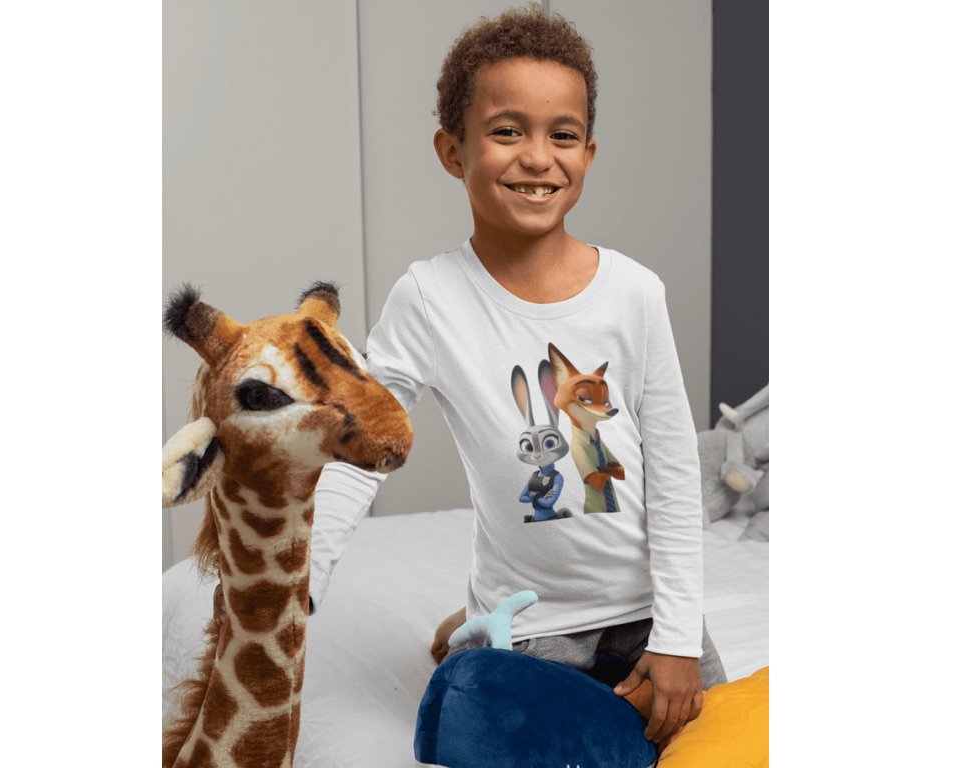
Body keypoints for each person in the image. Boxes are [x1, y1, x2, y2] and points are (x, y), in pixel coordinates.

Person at [308, 6, 726, 745]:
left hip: (644, 614)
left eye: (562, 136)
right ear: (453, 150)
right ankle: (478, 626)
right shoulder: (430, 297)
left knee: (719, 745)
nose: (538, 159)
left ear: (588, 154)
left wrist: (676, 638)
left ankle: (470, 628)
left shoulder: (635, 294)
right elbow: (359, 449)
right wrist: (300, 582)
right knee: (509, 739)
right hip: (535, 620)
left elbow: (671, 470)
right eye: (507, 132)